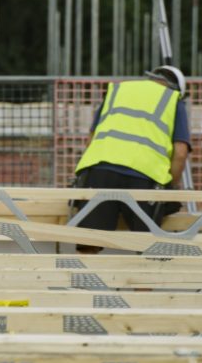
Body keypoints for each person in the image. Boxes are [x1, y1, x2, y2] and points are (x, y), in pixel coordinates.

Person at [72, 65, 192, 254]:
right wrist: (171, 188)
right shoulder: (173, 99)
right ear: (178, 89)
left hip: (99, 171)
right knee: (147, 251)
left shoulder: (117, 91)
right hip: (145, 177)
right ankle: (141, 283)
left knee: (90, 242)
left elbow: (91, 139)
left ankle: (84, 282)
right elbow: (180, 153)